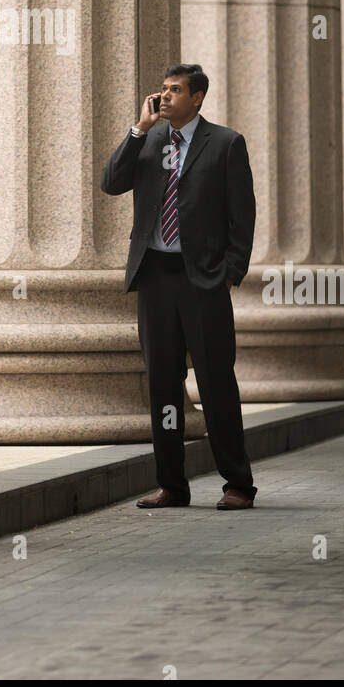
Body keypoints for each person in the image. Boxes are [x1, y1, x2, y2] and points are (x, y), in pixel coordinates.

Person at [100, 63, 257, 510]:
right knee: (163, 383)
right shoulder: (148, 141)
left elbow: (241, 214)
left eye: (175, 90)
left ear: (198, 97)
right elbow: (111, 183)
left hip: (202, 278)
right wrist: (136, 130)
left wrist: (231, 270)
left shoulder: (225, 143)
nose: (165, 96)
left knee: (215, 381)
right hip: (155, 276)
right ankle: (172, 485)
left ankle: (238, 484)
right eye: (163, 89)